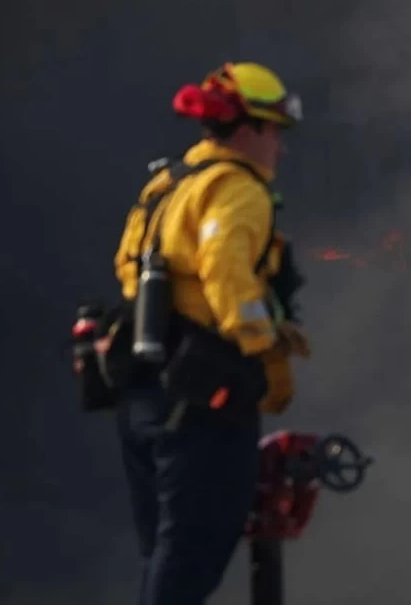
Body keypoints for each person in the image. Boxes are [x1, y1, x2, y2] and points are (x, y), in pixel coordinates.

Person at [109, 62, 310, 604]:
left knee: (163, 555)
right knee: (192, 557)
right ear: (248, 129)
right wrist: (266, 356)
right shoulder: (236, 189)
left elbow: (127, 267)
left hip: (143, 397)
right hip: (203, 404)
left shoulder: (167, 183)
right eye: (275, 133)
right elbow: (227, 275)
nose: (280, 149)